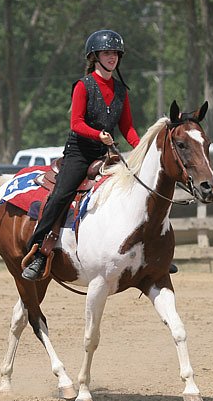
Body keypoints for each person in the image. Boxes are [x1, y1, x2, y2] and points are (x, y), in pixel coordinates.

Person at [22, 29, 141, 281]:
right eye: (107, 53)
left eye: (115, 53)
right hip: (79, 153)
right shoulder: (83, 85)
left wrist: (141, 149)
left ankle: (146, 253)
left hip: (105, 154)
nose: (112, 58)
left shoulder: (121, 90)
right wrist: (98, 135)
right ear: (95, 56)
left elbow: (127, 127)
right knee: (61, 195)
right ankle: (38, 252)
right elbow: (75, 123)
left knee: (136, 192)